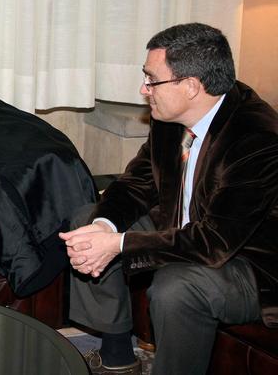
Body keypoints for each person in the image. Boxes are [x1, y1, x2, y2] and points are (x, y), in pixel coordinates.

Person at [60, 23, 278, 375]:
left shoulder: (257, 139)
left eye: (152, 80)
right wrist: (103, 227)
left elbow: (215, 242)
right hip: (185, 228)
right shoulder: (171, 115)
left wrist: (119, 244)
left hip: (248, 263)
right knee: (88, 222)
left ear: (190, 86)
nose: (143, 89)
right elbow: (136, 183)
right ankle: (118, 354)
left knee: (176, 287)